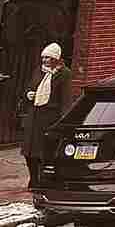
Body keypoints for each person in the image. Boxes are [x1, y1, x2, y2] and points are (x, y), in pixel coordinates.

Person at [22, 43, 72, 189]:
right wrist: (29, 94)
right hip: (34, 115)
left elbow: (65, 99)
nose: (44, 60)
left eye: (48, 58)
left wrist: (62, 121)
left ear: (55, 59)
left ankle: (43, 180)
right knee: (29, 151)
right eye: (43, 57)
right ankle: (33, 178)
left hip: (49, 117)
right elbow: (30, 87)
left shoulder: (64, 74)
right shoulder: (39, 71)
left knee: (43, 152)